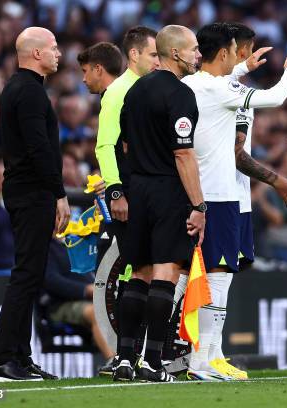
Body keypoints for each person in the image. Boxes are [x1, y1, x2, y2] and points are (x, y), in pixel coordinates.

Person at [181, 22, 287, 381]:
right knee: (217, 277)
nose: (240, 56)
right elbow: (277, 97)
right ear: (225, 52)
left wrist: (241, 69)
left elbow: (218, 79)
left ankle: (203, 356)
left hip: (202, 193)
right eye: (236, 51)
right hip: (218, 195)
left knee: (196, 275)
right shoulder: (221, 90)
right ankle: (202, 359)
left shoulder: (190, 85)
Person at [116, 24, 204, 383]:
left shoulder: (134, 91)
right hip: (168, 190)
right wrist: (199, 206)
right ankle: (152, 362)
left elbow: (122, 146)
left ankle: (124, 359)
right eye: (194, 49)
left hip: (137, 189)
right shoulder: (181, 95)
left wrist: (127, 186)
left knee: (138, 274)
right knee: (165, 272)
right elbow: (183, 153)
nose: (198, 55)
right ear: (177, 53)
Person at [0, 27, 71, 382]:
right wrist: (59, 194)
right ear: (35, 54)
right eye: (53, 48)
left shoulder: (19, 88)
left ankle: (20, 356)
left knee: (31, 273)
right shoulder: (30, 93)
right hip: (32, 192)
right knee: (26, 275)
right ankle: (4, 357)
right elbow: (40, 149)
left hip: (24, 190)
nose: (58, 54)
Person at [79, 28, 160, 376]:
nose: (158, 60)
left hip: (150, 193)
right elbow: (104, 146)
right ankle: (126, 354)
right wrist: (115, 191)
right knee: (137, 271)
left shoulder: (147, 88)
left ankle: (136, 356)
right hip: (129, 194)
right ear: (135, 55)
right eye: (154, 54)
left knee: (151, 273)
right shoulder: (117, 93)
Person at [43, 239, 114, 361]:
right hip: (60, 305)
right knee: (97, 312)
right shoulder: (45, 247)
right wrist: (86, 290)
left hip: (92, 299)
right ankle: (113, 363)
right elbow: (51, 281)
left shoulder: (77, 241)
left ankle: (130, 360)